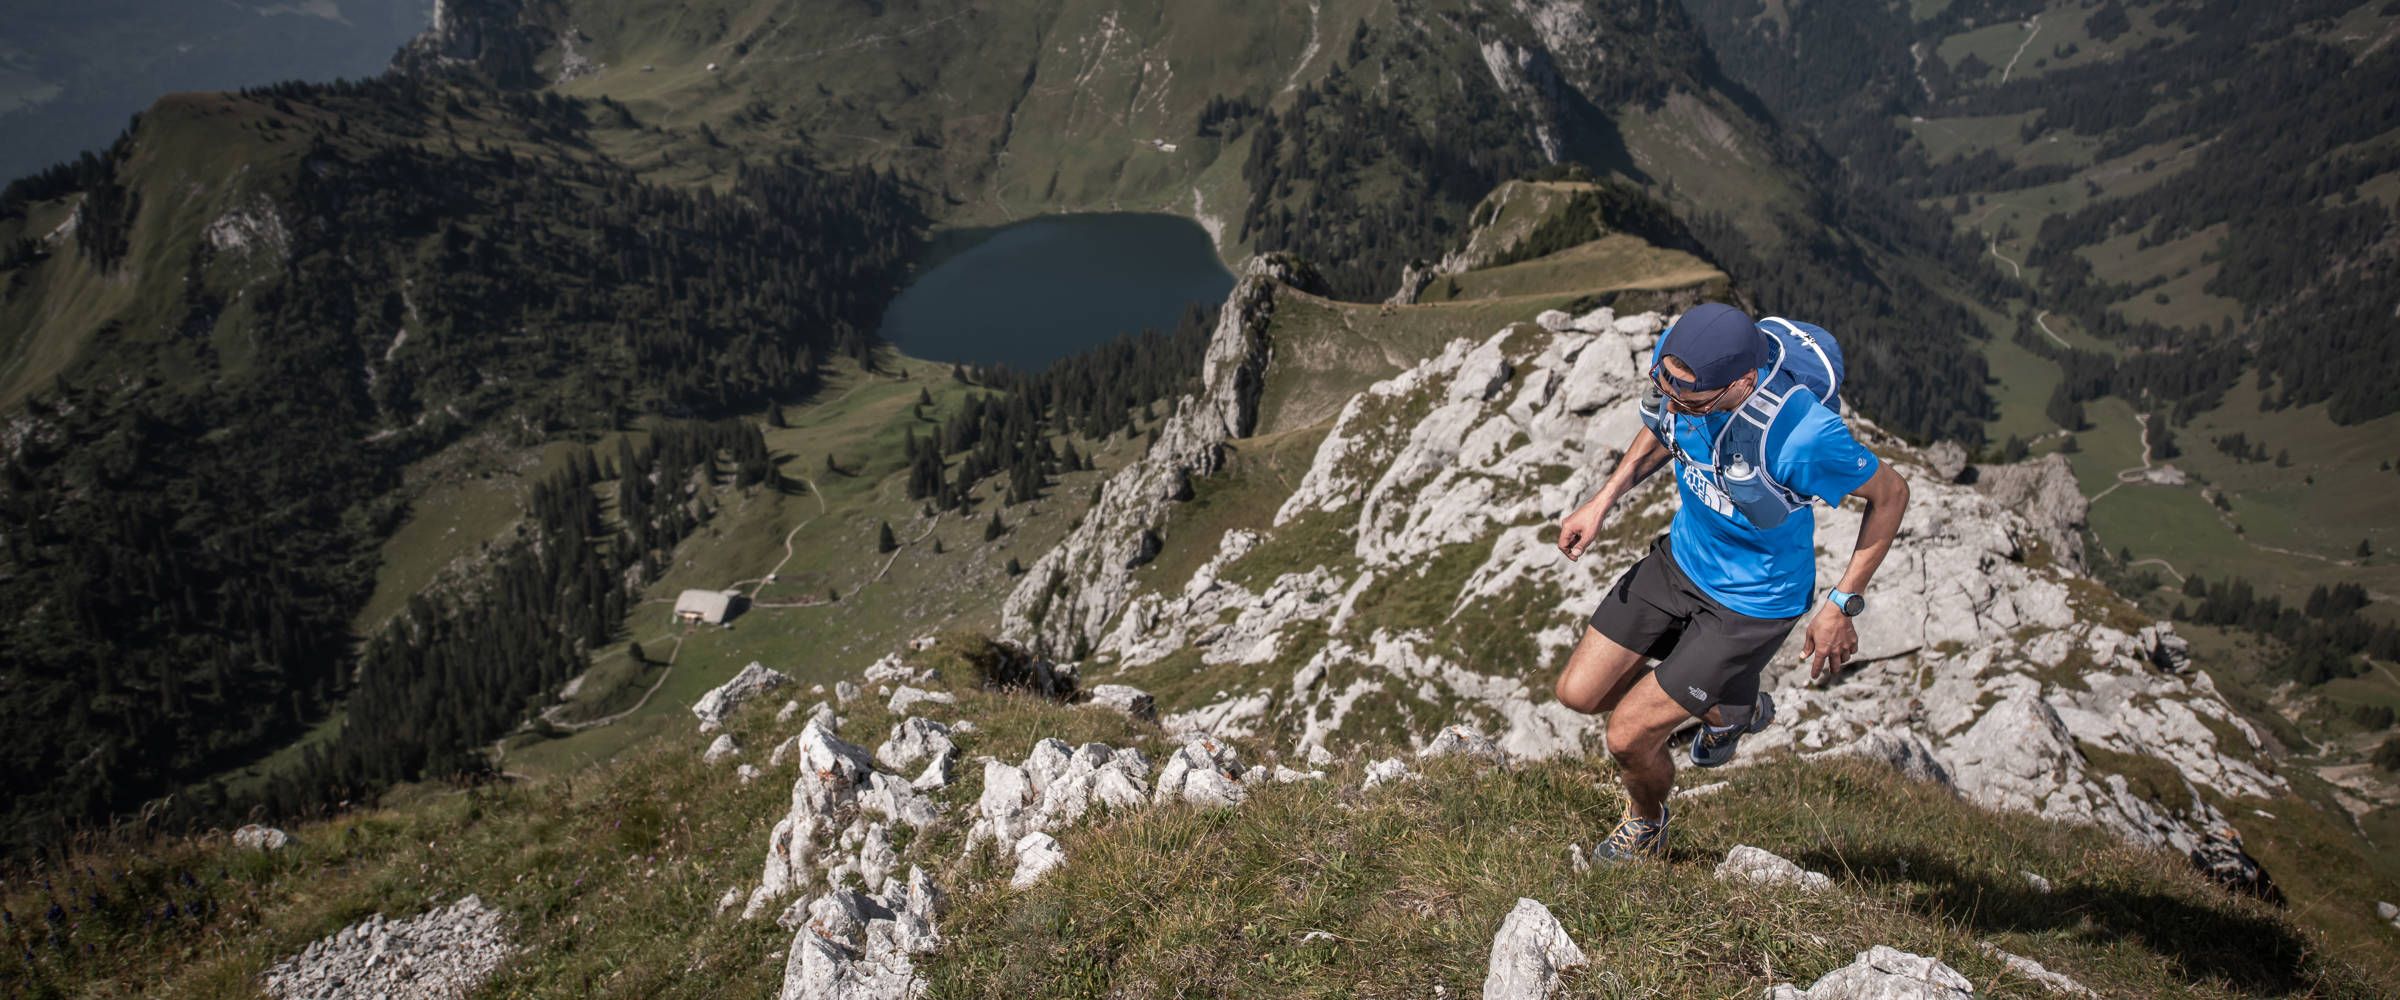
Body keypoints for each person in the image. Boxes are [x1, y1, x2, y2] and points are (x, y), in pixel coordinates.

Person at [1551, 302, 1910, 864]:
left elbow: (1892, 496)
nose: (1674, 404)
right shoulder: (1682, 367)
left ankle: (1646, 825)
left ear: (1742, 382)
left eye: (1690, 401)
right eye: (1666, 391)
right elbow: (1663, 427)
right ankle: (1731, 703)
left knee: (1626, 737)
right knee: (1577, 693)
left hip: (1752, 603)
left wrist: (1842, 602)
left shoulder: (1803, 435)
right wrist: (1603, 501)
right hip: (1680, 561)